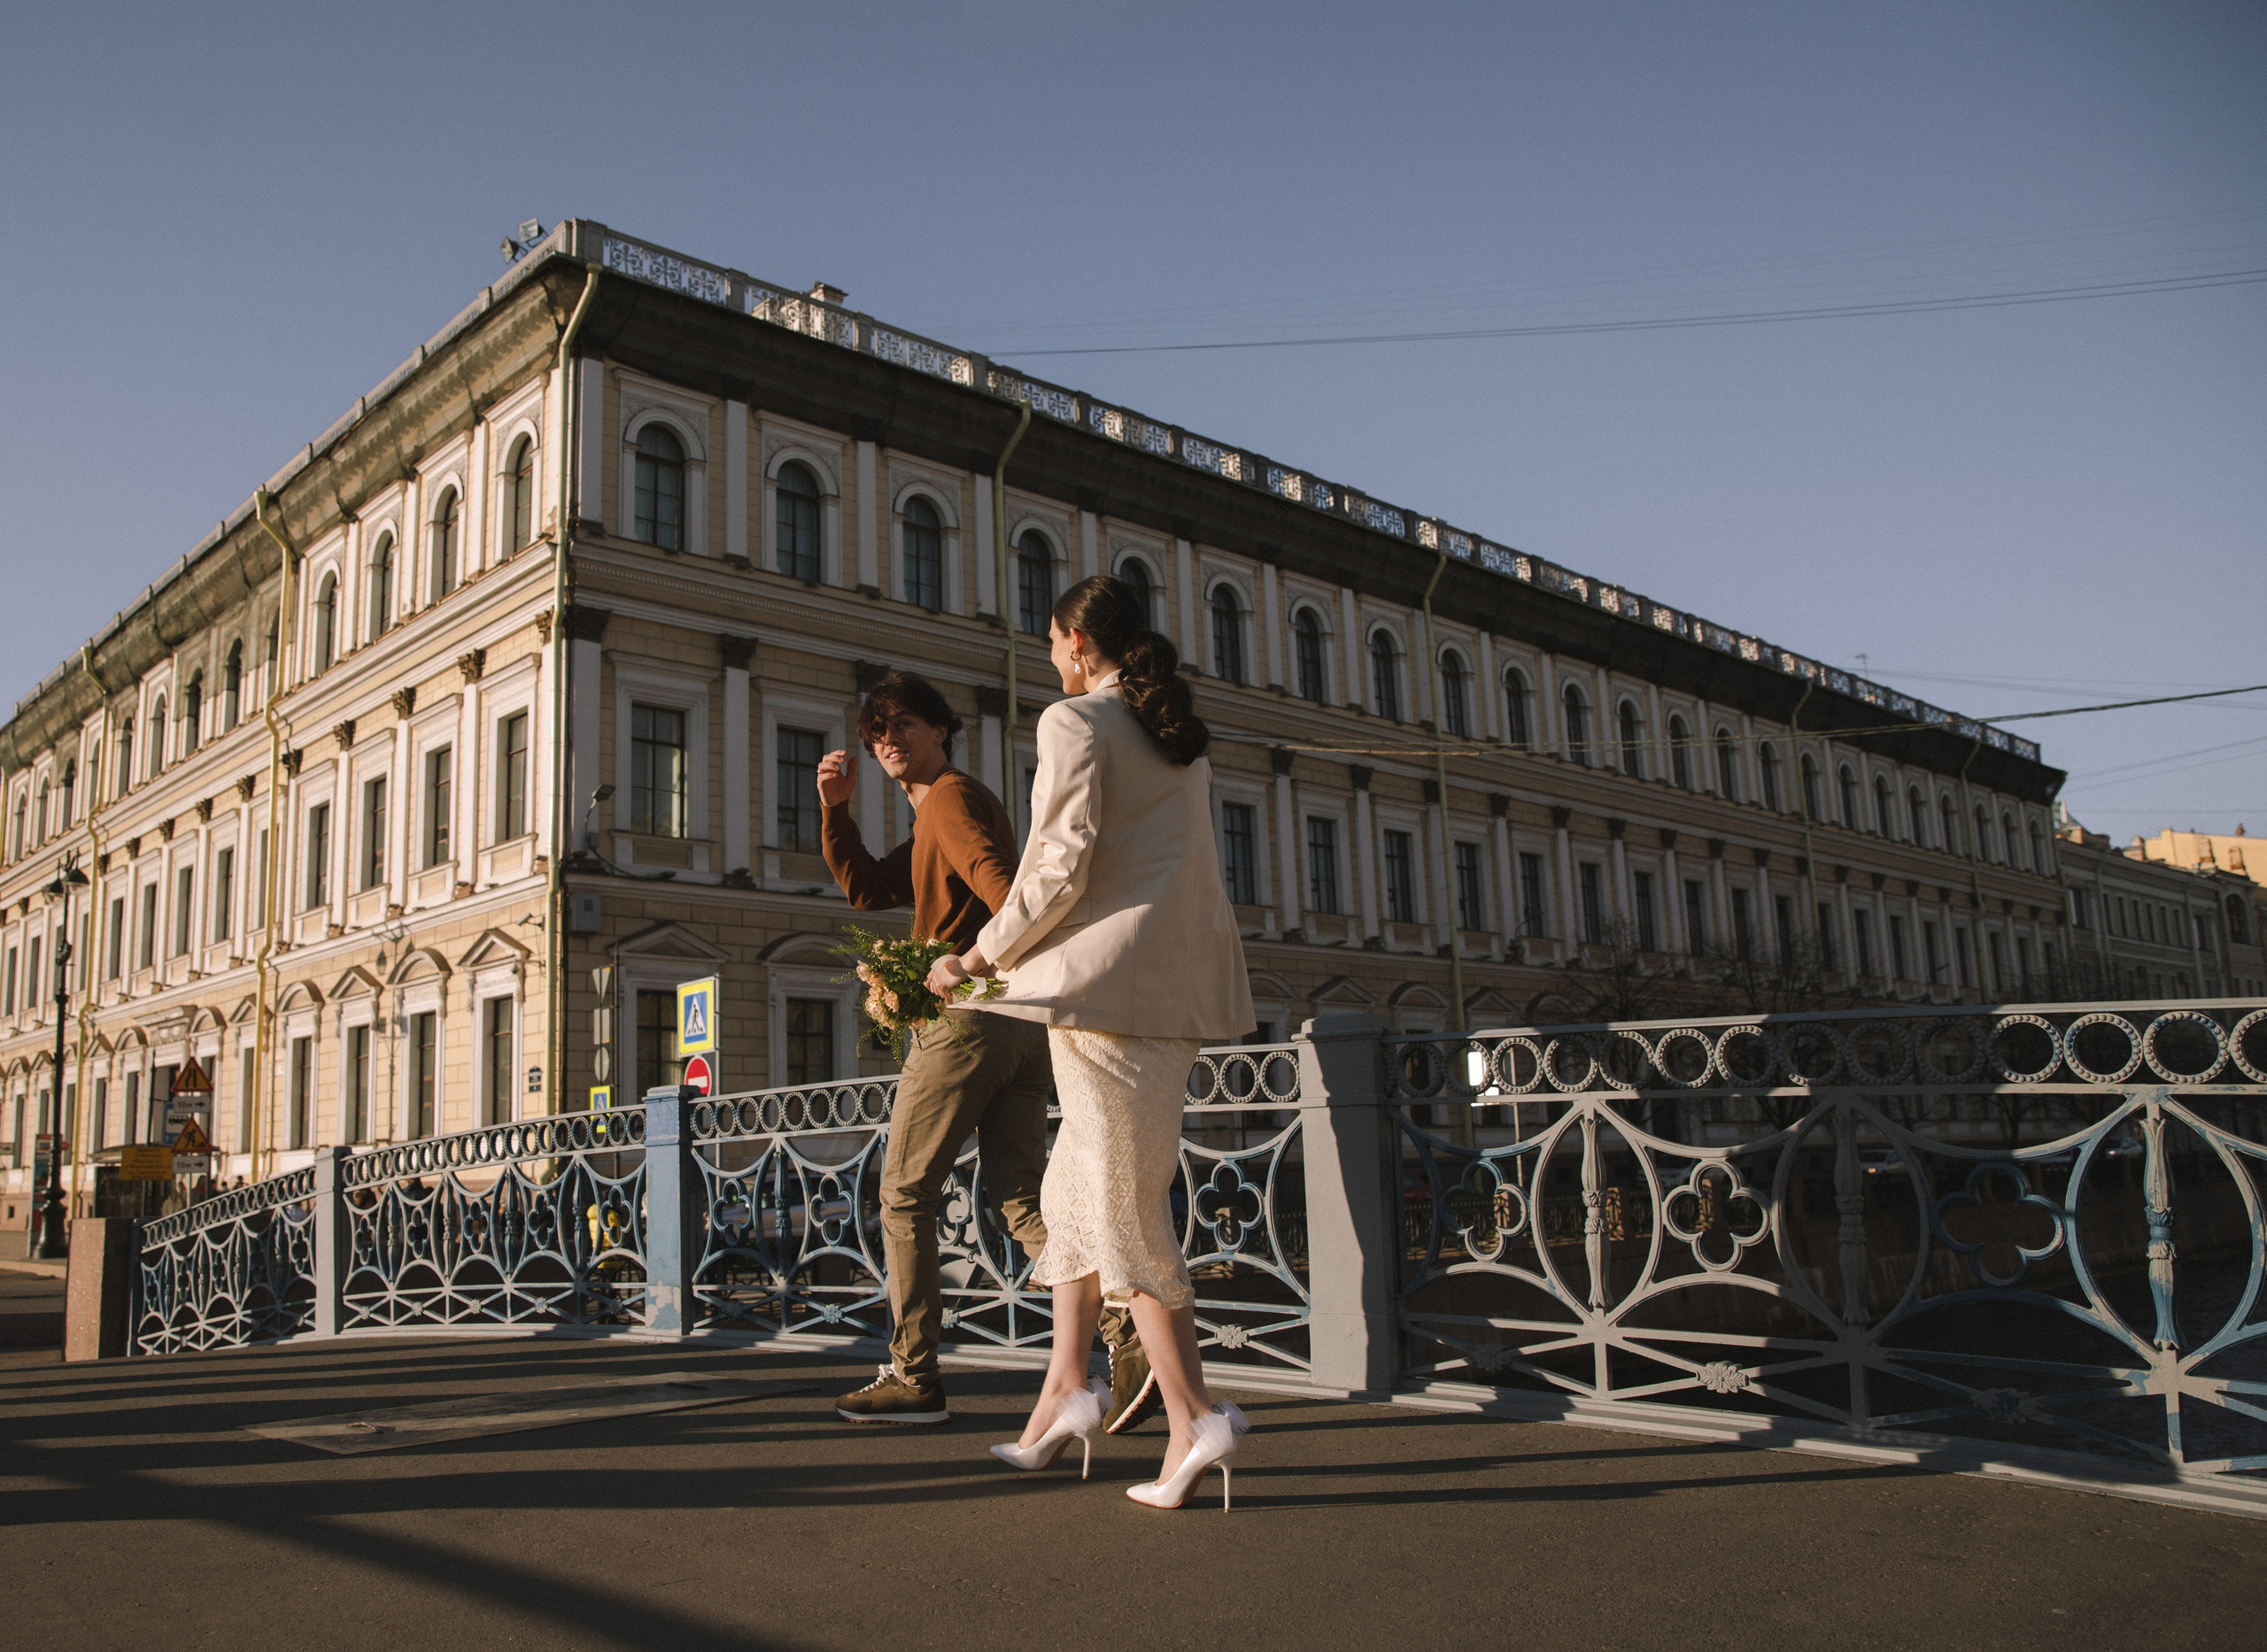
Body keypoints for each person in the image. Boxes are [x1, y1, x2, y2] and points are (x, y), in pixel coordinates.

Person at [927, 575, 1257, 1510]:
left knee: (1119, 1207)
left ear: (1076, 645)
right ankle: (1065, 1393)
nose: (1049, 661)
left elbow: (1057, 867)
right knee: (1077, 1193)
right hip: (1175, 990)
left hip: (1104, 997)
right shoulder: (1175, 738)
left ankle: (1194, 1417)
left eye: (1049, 646)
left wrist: (975, 957)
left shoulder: (1075, 723)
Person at [818, 670, 1149, 1424]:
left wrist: (966, 964)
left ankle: (914, 1376)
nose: (888, 740)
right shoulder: (938, 811)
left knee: (904, 1193)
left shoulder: (952, 800)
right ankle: (1127, 1334)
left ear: (941, 731)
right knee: (1021, 1199)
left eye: (904, 725)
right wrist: (835, 813)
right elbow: (870, 889)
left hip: (969, 1020)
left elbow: (1005, 894)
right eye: (877, 733)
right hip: (1022, 1026)